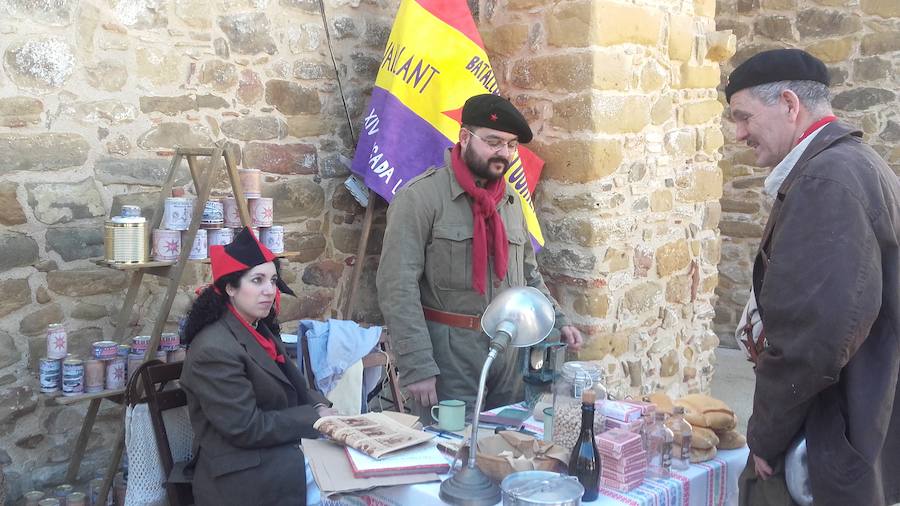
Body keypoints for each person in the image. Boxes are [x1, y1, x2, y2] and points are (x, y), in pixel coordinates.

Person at [725, 49, 900, 506]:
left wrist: (766, 435)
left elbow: (813, 339)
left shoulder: (828, 180)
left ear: (788, 103)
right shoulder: (852, 164)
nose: (738, 133)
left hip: (827, 438)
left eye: (744, 117)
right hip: (850, 425)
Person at [376, 93, 584, 418]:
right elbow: (397, 287)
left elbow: (528, 276)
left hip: (509, 354)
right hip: (448, 357)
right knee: (448, 449)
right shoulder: (420, 199)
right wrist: (417, 364)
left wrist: (559, 320)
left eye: (511, 145)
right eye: (493, 142)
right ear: (464, 137)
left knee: (503, 446)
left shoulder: (513, 203)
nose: (503, 153)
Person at [180, 227, 335, 506]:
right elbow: (246, 427)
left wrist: (323, 409)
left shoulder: (257, 329)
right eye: (257, 280)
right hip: (242, 472)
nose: (269, 290)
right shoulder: (214, 349)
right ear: (230, 287)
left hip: (275, 450)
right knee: (346, 482)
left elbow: (296, 386)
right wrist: (314, 420)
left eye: (273, 280)